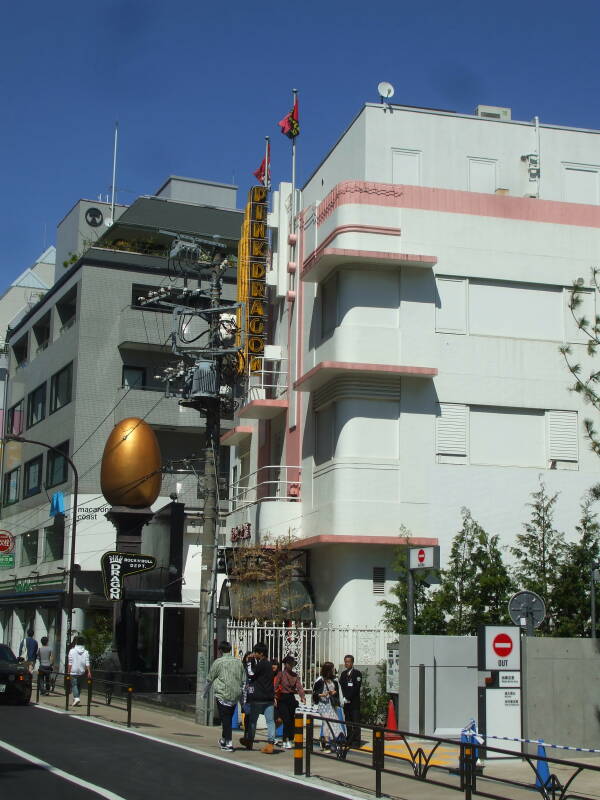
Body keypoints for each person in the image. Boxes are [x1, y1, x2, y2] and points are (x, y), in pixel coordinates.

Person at [205, 641, 246, 752]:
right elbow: (243, 681)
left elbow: (210, 678)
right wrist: (243, 699)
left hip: (222, 694)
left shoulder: (218, 662)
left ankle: (228, 742)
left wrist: (205, 693)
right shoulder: (238, 663)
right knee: (227, 718)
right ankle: (224, 739)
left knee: (226, 719)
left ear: (221, 650)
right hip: (235, 695)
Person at [240, 642, 277, 753]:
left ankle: (249, 740)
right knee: (270, 721)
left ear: (261, 653)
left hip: (258, 698)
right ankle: (270, 743)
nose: (254, 654)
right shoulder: (268, 664)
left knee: (252, 720)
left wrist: (249, 661)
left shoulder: (261, 664)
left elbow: (251, 674)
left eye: (256, 652)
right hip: (269, 698)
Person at [312, 661, 345, 751]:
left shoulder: (334, 680)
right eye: (332, 669)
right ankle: (327, 744)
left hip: (331, 705)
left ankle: (332, 742)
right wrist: (324, 694)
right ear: (328, 670)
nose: (333, 671)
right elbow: (315, 694)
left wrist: (333, 693)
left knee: (334, 722)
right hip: (323, 706)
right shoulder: (320, 680)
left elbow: (337, 691)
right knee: (327, 723)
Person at [275, 655, 306, 749]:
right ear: (286, 664)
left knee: (292, 720)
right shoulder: (281, 674)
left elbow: (299, 687)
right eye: (289, 664)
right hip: (283, 698)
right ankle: (285, 740)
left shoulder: (295, 675)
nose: (291, 665)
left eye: (292, 664)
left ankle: (290, 739)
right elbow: (275, 685)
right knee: (286, 720)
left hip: (291, 698)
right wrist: (274, 697)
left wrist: (302, 697)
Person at [339, 654, 362, 746]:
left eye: (348, 662)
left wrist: (348, 698)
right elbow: (341, 686)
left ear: (352, 663)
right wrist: (343, 698)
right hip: (346, 703)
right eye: (345, 662)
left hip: (354, 702)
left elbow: (356, 688)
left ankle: (356, 740)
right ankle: (349, 739)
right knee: (347, 721)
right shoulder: (343, 674)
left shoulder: (357, 674)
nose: (347, 664)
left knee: (355, 722)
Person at [67, 636, 91, 707]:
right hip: (82, 671)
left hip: (73, 671)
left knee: (74, 685)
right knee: (79, 686)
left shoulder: (72, 651)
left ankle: (76, 698)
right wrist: (89, 672)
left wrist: (68, 671)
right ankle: (76, 698)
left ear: (76, 642)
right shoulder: (86, 652)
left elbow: (70, 662)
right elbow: (87, 662)